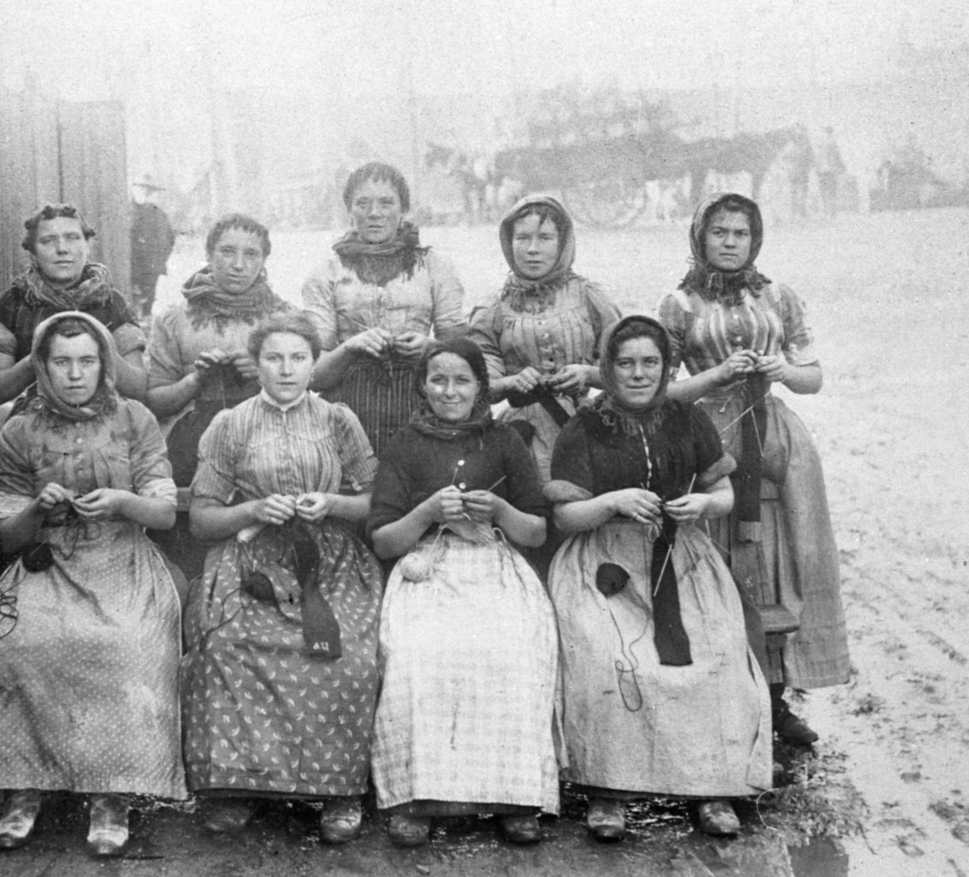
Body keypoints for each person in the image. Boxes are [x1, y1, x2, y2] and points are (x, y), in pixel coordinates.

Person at [0, 311, 185, 857]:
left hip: (123, 560)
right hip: (47, 562)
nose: (75, 374)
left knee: (124, 648)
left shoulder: (135, 419)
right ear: (42, 367)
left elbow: (165, 514)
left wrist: (124, 502)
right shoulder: (20, 429)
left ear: (104, 363)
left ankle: (111, 795)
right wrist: (36, 507)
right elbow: (8, 535)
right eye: (61, 362)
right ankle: (25, 788)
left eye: (87, 361)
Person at [545, 315, 772, 841]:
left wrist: (705, 503)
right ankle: (607, 790)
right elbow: (564, 518)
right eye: (625, 364)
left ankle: (712, 788)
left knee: (718, 648)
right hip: (605, 560)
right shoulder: (585, 427)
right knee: (606, 654)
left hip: (683, 554)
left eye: (651, 363)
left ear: (667, 367)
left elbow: (727, 495)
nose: (639, 374)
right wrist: (610, 502)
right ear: (608, 368)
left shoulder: (687, 419)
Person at [181, 312, 383, 845]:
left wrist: (334, 502)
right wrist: (251, 510)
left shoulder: (339, 419)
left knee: (355, 654)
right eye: (274, 358)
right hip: (252, 563)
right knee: (224, 644)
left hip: (331, 556)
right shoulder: (231, 423)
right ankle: (239, 787)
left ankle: (339, 791)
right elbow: (202, 517)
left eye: (298, 358)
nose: (287, 369)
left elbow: (376, 502)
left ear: (315, 364)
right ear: (257, 365)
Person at [658, 193, 849, 746]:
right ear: (700, 236)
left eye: (740, 233)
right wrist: (715, 375)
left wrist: (783, 368)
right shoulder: (678, 303)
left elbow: (814, 376)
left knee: (778, 558)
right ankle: (723, 695)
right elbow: (662, 389)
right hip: (707, 438)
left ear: (754, 239)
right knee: (716, 556)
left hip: (774, 437)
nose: (729, 242)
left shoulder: (778, 296)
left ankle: (775, 699)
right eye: (718, 232)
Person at [369, 337, 559, 848]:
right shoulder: (403, 445)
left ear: (480, 387)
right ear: (422, 386)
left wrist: (498, 511)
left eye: (462, 381)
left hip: (493, 564)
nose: (450, 392)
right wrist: (427, 512)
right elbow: (385, 540)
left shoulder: (504, 443)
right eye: (438, 380)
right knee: (417, 655)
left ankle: (513, 797)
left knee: (514, 650)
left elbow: (536, 532)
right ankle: (419, 797)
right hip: (426, 568)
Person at [145, 214, 292, 582]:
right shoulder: (174, 319)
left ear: (263, 261)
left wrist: (261, 375)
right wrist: (196, 378)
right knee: (189, 546)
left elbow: (305, 388)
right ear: (209, 255)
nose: (238, 264)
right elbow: (156, 401)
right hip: (190, 444)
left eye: (251, 254)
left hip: (267, 438)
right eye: (227, 252)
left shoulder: (283, 318)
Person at [302, 161, 467, 452]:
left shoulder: (434, 267)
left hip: (421, 402)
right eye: (362, 203)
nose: (374, 213)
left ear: (403, 209)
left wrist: (429, 348)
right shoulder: (326, 273)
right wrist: (351, 347)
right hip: (348, 409)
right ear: (349, 209)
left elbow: (464, 354)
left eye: (386, 203)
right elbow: (314, 376)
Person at [468, 194, 621, 483]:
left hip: (587, 428)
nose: (532, 250)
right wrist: (512, 383)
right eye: (522, 238)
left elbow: (629, 369)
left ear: (563, 242)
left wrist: (588, 374)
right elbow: (477, 387)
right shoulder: (492, 310)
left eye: (545, 238)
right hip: (523, 435)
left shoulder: (591, 297)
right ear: (508, 242)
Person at [0, 203, 147, 407]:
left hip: (105, 422)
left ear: (87, 245)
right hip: (36, 420)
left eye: (72, 238)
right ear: (33, 251)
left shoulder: (111, 301)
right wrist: (36, 359)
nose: (62, 249)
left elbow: (138, 389)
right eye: (48, 241)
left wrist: (103, 347)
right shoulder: (12, 304)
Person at [130, 177, 177, 321]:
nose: (143, 193)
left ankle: (145, 317)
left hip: (150, 263)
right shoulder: (128, 211)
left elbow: (168, 239)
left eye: (147, 190)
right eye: (140, 188)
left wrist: (159, 259)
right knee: (133, 293)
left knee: (147, 295)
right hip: (132, 262)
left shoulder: (158, 214)